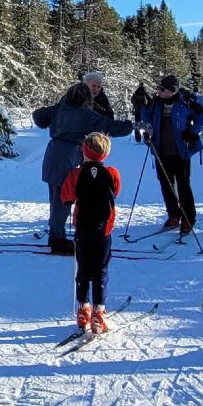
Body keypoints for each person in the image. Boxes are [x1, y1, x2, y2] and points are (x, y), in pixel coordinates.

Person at [33, 84, 135, 254]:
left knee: (55, 196)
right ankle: (57, 239)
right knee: (63, 199)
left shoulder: (58, 109)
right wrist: (132, 125)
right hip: (69, 155)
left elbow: (38, 115)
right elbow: (111, 127)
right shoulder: (87, 115)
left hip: (52, 152)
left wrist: (46, 122)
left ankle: (55, 234)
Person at [59, 132, 121, 333]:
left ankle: (83, 309)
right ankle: (98, 313)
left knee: (83, 269)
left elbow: (66, 197)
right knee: (101, 270)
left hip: (83, 228)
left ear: (84, 151)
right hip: (104, 229)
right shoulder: (112, 172)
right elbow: (116, 192)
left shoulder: (76, 174)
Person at [137, 75, 203, 235]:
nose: (159, 91)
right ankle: (173, 215)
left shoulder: (186, 102)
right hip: (160, 150)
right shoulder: (155, 103)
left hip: (181, 151)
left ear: (172, 90)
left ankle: (188, 218)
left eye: (162, 89)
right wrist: (148, 130)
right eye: (159, 88)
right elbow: (145, 115)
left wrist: (192, 131)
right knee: (166, 184)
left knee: (183, 185)